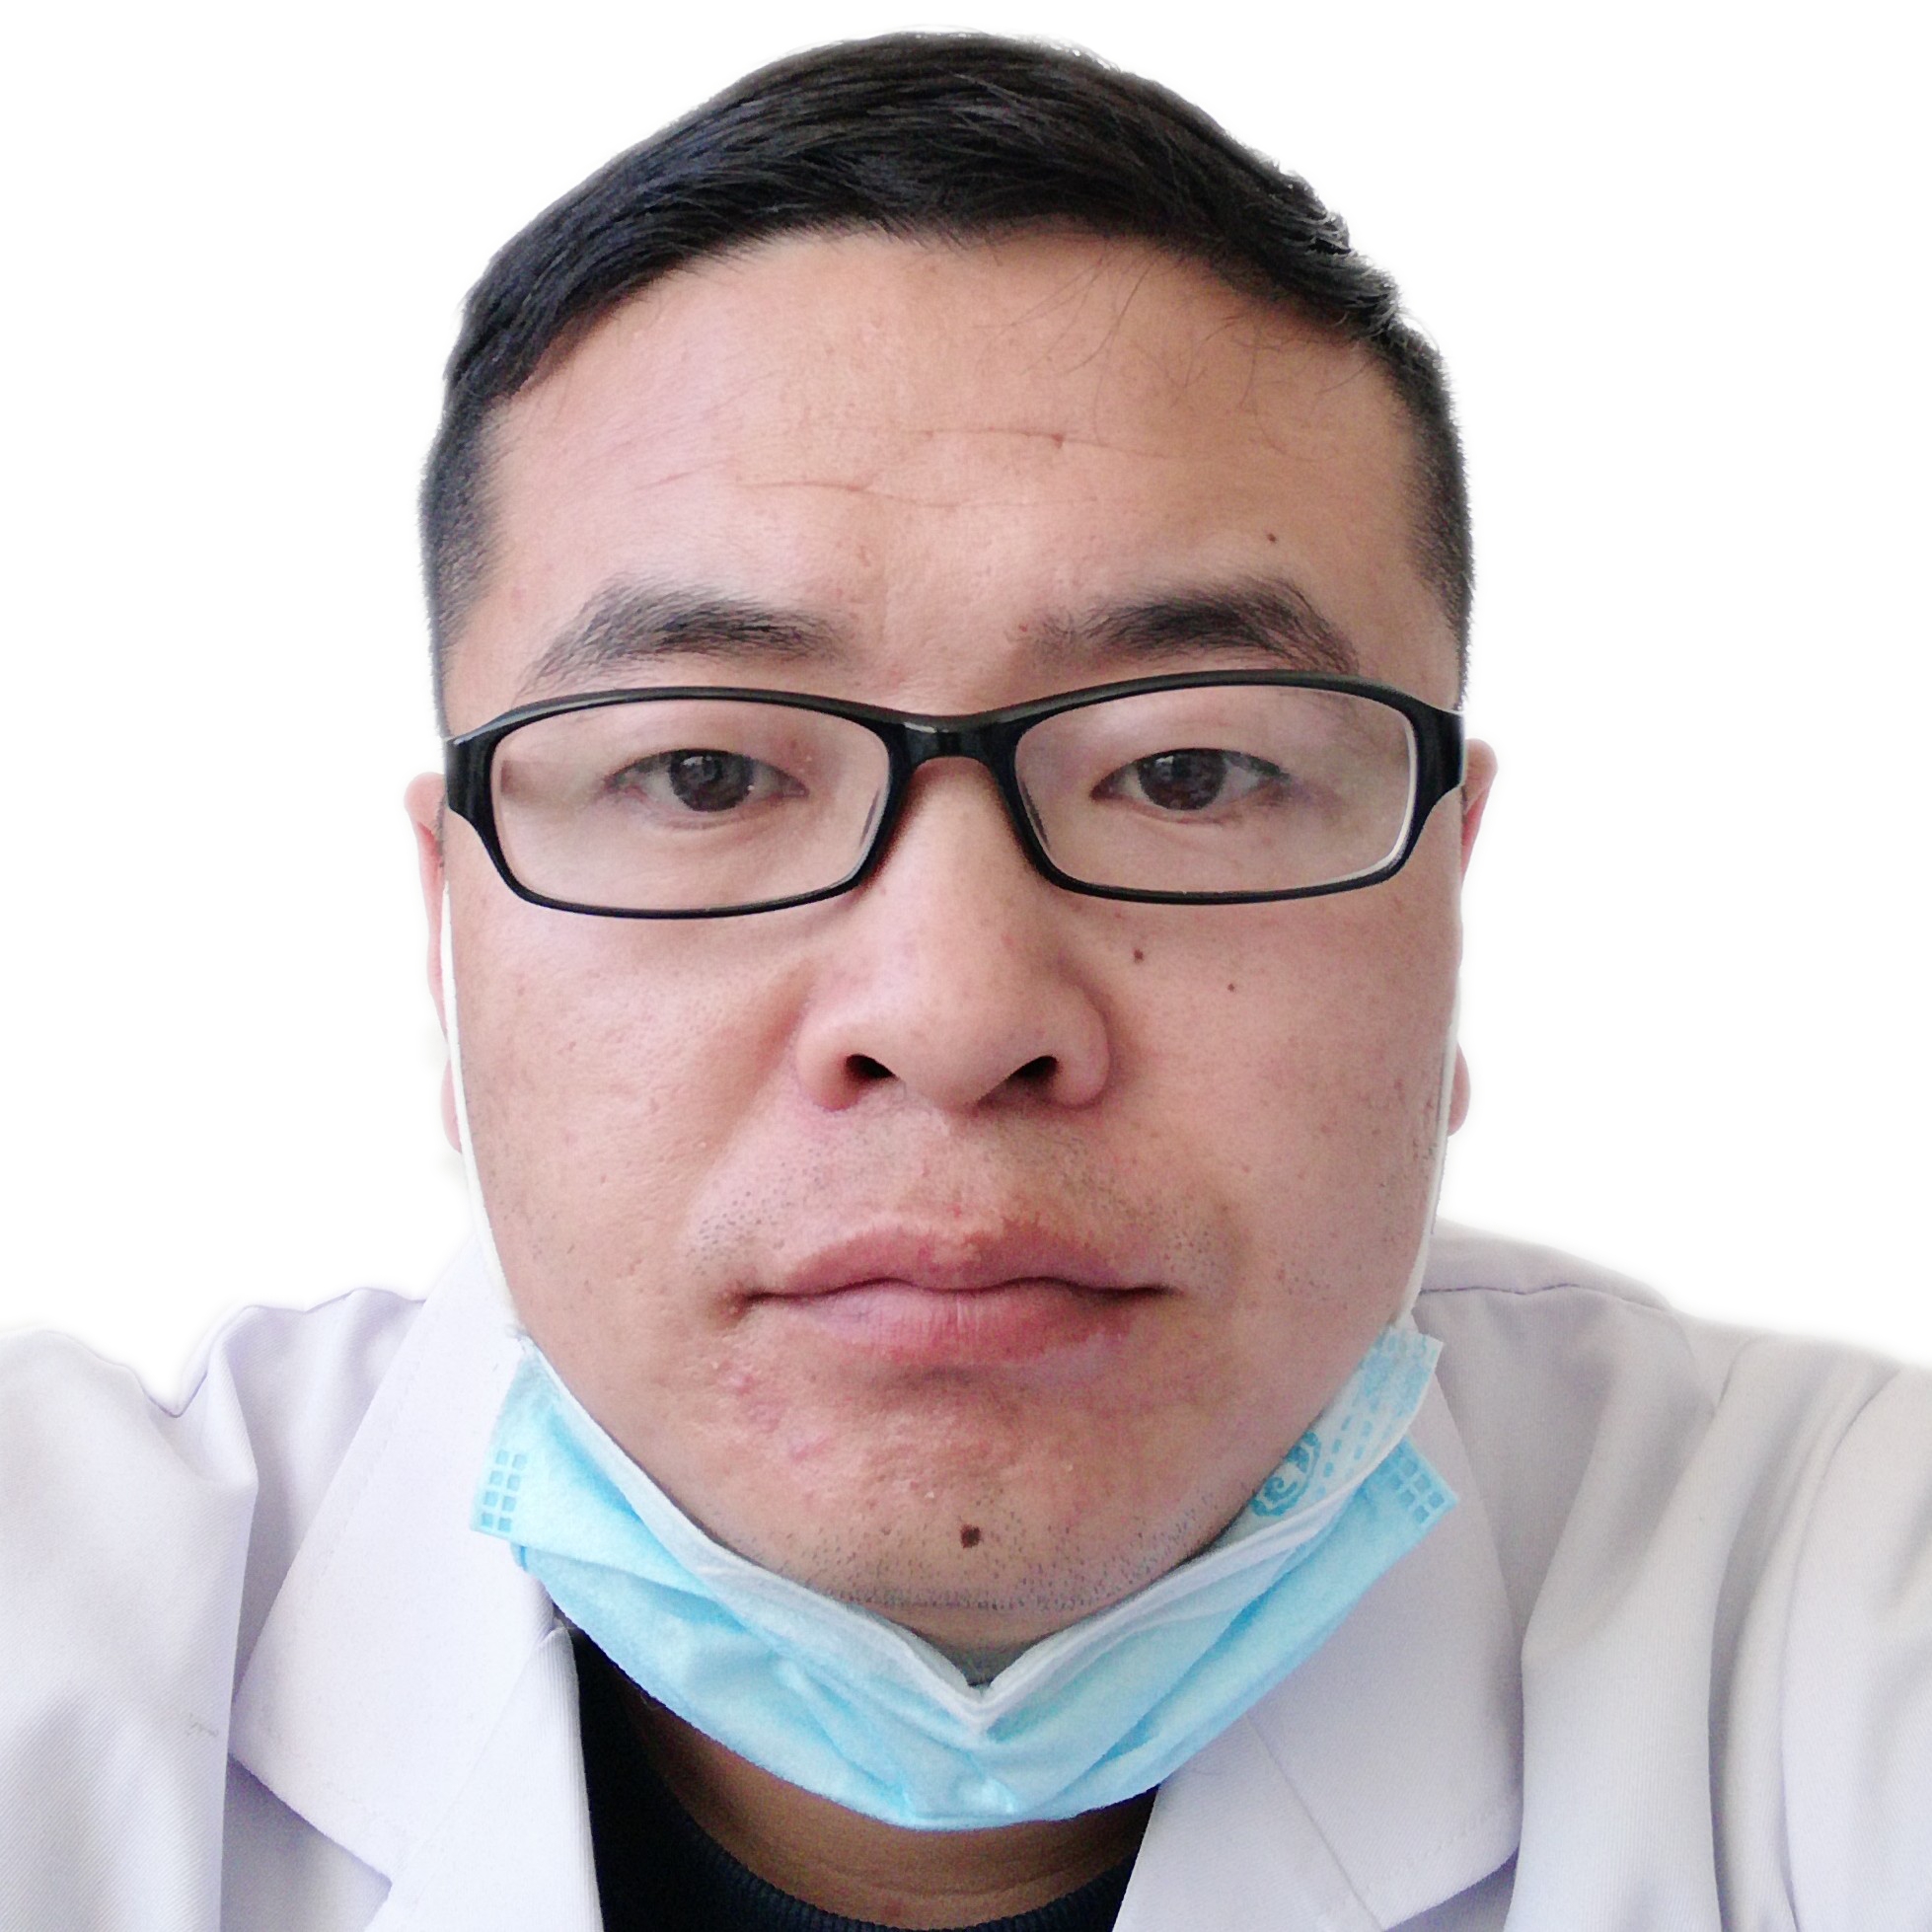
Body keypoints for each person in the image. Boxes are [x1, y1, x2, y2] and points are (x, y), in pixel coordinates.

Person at [2, 33, 1926, 1932]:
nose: (949, 1012)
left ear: (1443, 899)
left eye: (1190, 772)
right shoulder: (60, 1620)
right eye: (705, 773)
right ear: (454, 933)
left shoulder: (1833, 1620)